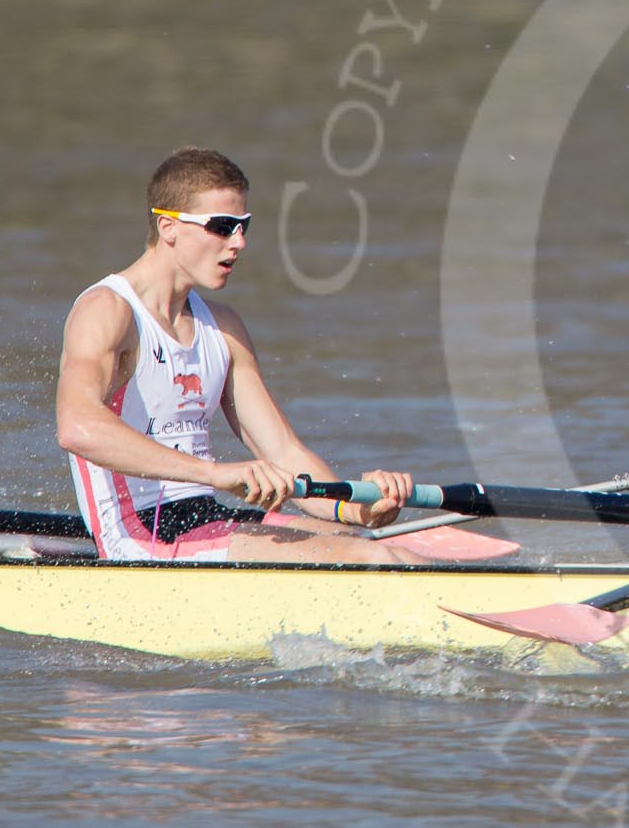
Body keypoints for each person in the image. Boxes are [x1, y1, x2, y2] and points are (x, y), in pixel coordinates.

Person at [56, 148, 424, 564]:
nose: (240, 242)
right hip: (141, 536)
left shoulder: (224, 328)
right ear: (169, 227)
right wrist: (216, 473)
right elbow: (77, 428)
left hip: (208, 517)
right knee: (376, 560)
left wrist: (358, 510)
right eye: (223, 226)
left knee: (379, 546)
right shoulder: (108, 310)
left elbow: (284, 453)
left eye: (243, 226)